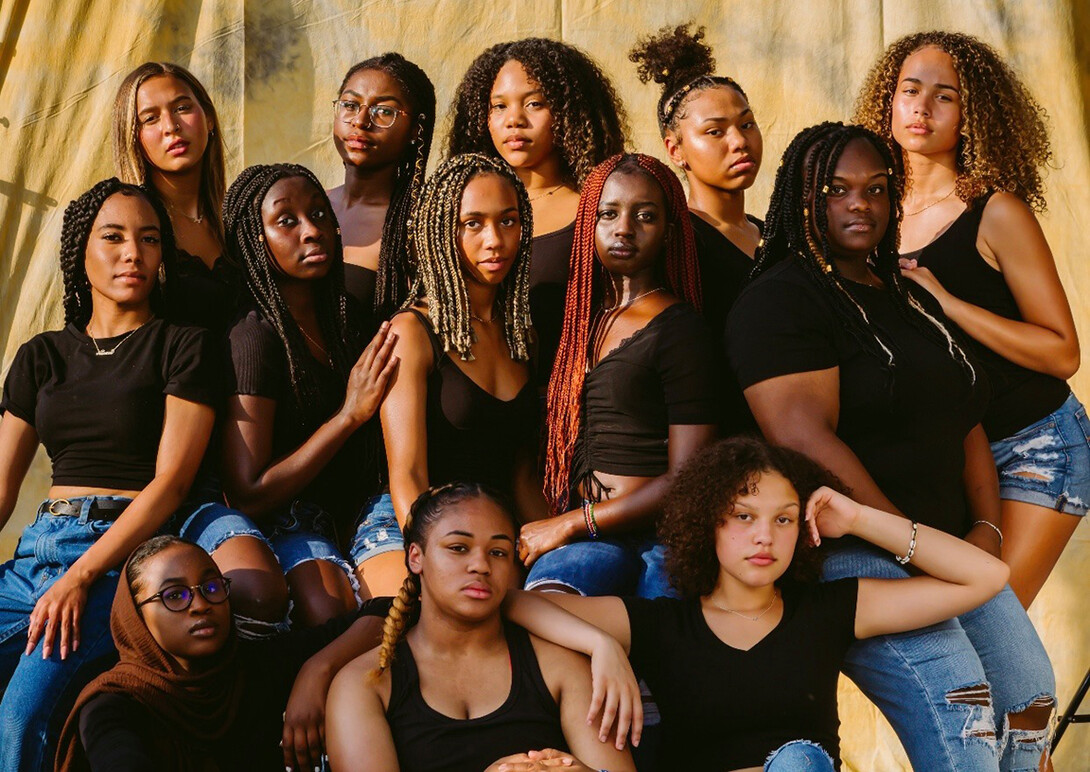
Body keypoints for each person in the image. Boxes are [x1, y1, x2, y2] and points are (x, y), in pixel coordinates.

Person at [727, 122, 1055, 771]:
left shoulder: (905, 296)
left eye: (877, 189)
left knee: (1029, 702)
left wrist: (985, 530)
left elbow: (965, 416)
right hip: (858, 559)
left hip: (948, 552)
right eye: (838, 189)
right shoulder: (780, 302)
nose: (861, 205)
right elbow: (804, 438)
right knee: (969, 726)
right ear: (803, 198)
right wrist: (904, 540)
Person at [506, 437, 1011, 771]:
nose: (764, 537)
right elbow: (514, 604)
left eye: (784, 519)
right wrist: (600, 644)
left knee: (797, 762)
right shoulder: (664, 625)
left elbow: (986, 576)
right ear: (708, 524)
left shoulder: (828, 610)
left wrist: (859, 518)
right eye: (743, 517)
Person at [856, 30, 1085, 608]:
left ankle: (1033, 705)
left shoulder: (997, 211)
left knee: (994, 624)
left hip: (1035, 442)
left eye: (945, 96)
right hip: (949, 455)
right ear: (888, 101)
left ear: (972, 115)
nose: (922, 107)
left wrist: (949, 303)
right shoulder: (867, 210)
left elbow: (1063, 352)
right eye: (909, 89)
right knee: (945, 640)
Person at [0, 179, 217, 771]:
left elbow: (170, 484)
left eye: (149, 240)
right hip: (32, 555)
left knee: (21, 713)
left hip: (116, 557)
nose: (133, 254)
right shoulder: (40, 355)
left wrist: (80, 576)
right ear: (81, 252)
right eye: (114, 237)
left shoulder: (182, 347)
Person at [325, 482, 636, 772]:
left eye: (498, 552)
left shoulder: (559, 665)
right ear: (415, 557)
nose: (481, 565)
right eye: (458, 548)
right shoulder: (365, 683)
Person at [522, 153, 718, 599]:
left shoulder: (681, 329)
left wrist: (573, 522)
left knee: (654, 649)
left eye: (644, 216)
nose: (623, 228)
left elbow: (686, 477)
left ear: (668, 232)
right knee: (546, 617)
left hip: (657, 540)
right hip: (587, 538)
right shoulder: (577, 321)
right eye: (608, 214)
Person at [216, 163, 398, 622]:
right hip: (291, 515)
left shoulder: (347, 317)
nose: (312, 231)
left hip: (362, 508)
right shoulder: (253, 336)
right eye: (287, 221)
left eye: (320, 214)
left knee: (404, 603)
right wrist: (347, 416)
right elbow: (249, 492)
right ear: (255, 240)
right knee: (328, 608)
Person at [54, 535, 392, 772]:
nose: (201, 605)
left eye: (212, 587)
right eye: (174, 596)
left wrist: (317, 669)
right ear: (135, 618)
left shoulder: (256, 666)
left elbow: (391, 610)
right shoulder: (114, 705)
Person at [369, 153, 545, 598]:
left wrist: (550, 538)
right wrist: (440, 555)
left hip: (492, 531)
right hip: (411, 525)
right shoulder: (412, 332)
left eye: (508, 221)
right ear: (442, 231)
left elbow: (521, 469)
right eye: (473, 224)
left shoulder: (522, 332)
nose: (495, 240)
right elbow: (407, 474)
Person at [448, 38, 628, 388]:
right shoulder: (453, 212)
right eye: (498, 106)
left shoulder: (598, 209)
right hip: (487, 410)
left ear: (569, 111)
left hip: (576, 406)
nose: (514, 120)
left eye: (534, 104)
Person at [629, 22, 763, 330]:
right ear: (675, 149)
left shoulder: (773, 236)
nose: (740, 142)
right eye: (715, 131)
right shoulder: (676, 241)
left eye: (746, 125)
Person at [113, 62, 236, 333]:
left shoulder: (240, 219)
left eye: (182, 108)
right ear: (133, 138)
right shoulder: (124, 230)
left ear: (209, 118)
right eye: (150, 118)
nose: (171, 126)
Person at [328, 53, 436, 317]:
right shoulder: (309, 206)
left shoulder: (419, 224)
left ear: (415, 130)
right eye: (350, 105)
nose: (361, 122)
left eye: (385, 111)